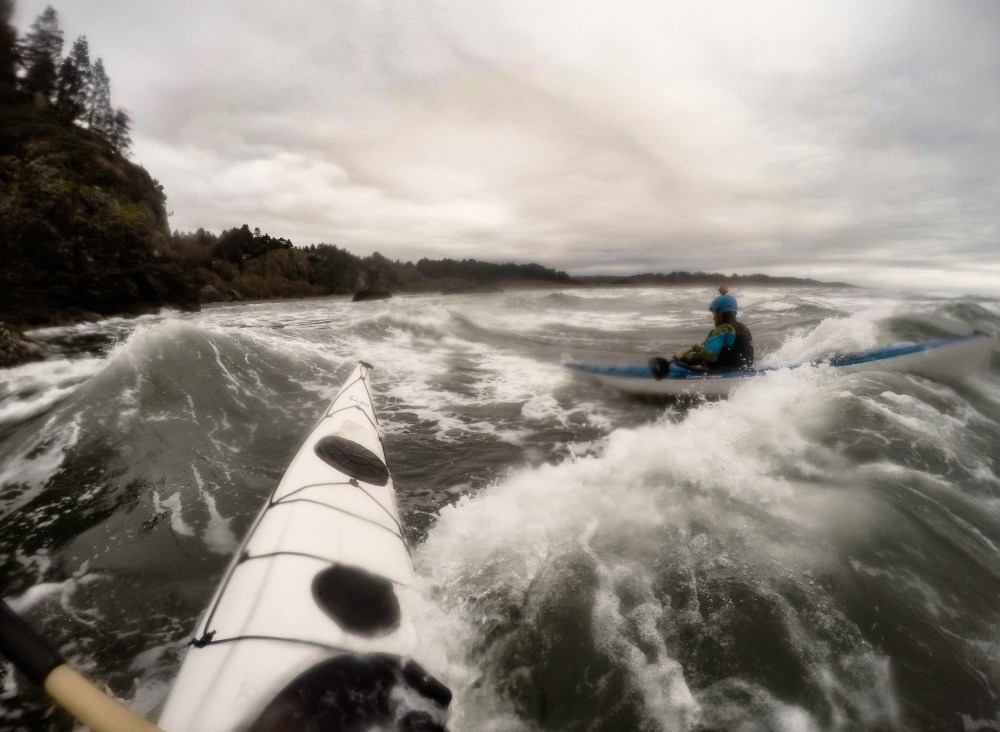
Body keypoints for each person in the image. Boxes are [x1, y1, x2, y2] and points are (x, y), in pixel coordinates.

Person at [649, 287, 754, 379]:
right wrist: (701, 348)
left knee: (678, 364)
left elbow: (706, 356)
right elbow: (728, 350)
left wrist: (683, 358)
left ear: (720, 312)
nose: (713, 318)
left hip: (725, 372)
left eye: (713, 313)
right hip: (741, 369)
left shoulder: (723, 329)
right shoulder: (742, 327)